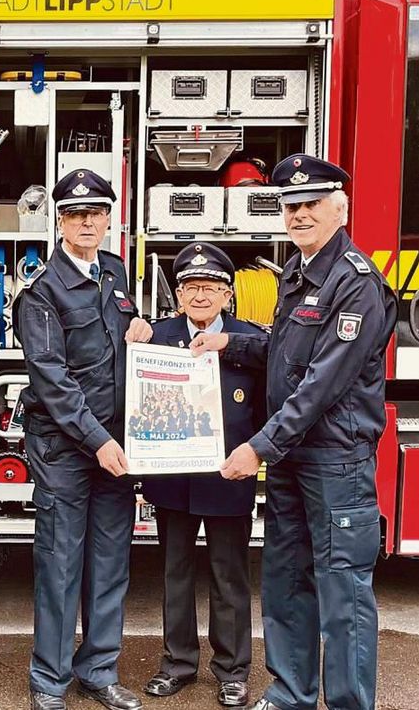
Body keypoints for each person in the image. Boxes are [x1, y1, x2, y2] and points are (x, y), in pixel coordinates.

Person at [191, 155, 398, 710]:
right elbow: (284, 355)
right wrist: (229, 342)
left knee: (343, 595)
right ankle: (290, 693)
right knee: (286, 584)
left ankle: (351, 703)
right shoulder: (297, 272)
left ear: (341, 208)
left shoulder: (355, 284)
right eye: (291, 205)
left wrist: (256, 447)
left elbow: (322, 384)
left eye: (311, 204)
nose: (300, 214)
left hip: (334, 462)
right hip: (291, 462)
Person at [13, 168, 151, 710]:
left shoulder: (115, 274)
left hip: (115, 446)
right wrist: (99, 441)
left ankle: (98, 670)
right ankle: (49, 680)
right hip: (67, 451)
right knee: (60, 565)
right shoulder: (42, 292)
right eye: (74, 214)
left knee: (112, 562)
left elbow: (123, 342)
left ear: (109, 218)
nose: (86, 222)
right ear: (60, 221)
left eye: (96, 213)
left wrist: (141, 325)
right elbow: (53, 381)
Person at [134, 243, 265, 708]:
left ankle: (232, 671)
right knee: (175, 572)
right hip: (172, 478)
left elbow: (267, 409)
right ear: (179, 293)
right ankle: (178, 665)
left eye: (211, 287)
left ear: (228, 294)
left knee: (230, 575)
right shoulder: (155, 337)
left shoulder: (251, 341)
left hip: (227, 476)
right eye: (191, 286)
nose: (201, 295)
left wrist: (254, 454)